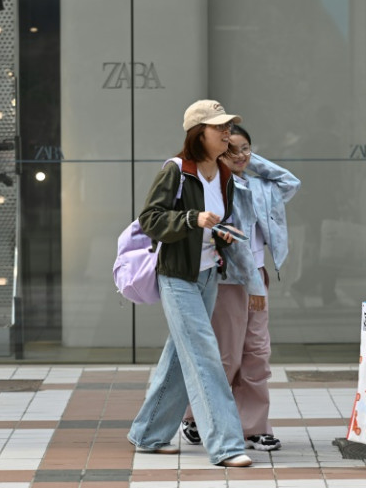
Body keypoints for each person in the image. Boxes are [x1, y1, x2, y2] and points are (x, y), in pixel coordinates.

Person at [127, 100, 254, 467]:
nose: (227, 133)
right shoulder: (178, 171)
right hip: (177, 276)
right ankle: (227, 445)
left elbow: (216, 222)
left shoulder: (224, 173)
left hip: (209, 273)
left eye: (228, 127)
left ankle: (148, 434)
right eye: (220, 128)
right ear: (199, 133)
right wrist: (191, 219)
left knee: (179, 360)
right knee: (204, 356)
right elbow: (150, 219)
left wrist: (222, 234)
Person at [180, 125, 300, 451]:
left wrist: (246, 158)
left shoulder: (260, 185)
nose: (240, 156)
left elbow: (290, 182)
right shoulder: (216, 187)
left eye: (245, 148)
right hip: (228, 278)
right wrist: (227, 162)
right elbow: (232, 242)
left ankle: (253, 426)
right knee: (225, 355)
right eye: (230, 149)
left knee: (257, 353)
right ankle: (196, 417)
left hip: (257, 276)